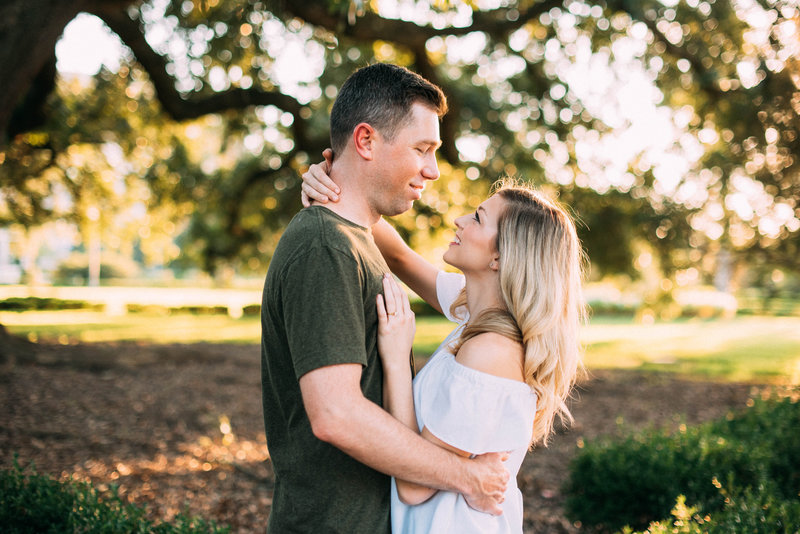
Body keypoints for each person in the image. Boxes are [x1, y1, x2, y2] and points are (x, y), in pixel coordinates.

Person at [260, 62, 510, 534]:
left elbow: (395, 250)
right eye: (422, 149)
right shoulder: (325, 246)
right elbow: (335, 414)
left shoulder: (356, 242)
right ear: (366, 140)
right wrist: (468, 477)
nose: (433, 171)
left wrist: (332, 174)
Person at [302, 162, 586, 533]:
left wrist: (396, 360)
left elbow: (414, 485)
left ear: (500, 257)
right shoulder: (476, 309)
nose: (459, 220)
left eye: (478, 219)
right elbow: (400, 256)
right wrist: (334, 187)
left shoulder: (493, 352)